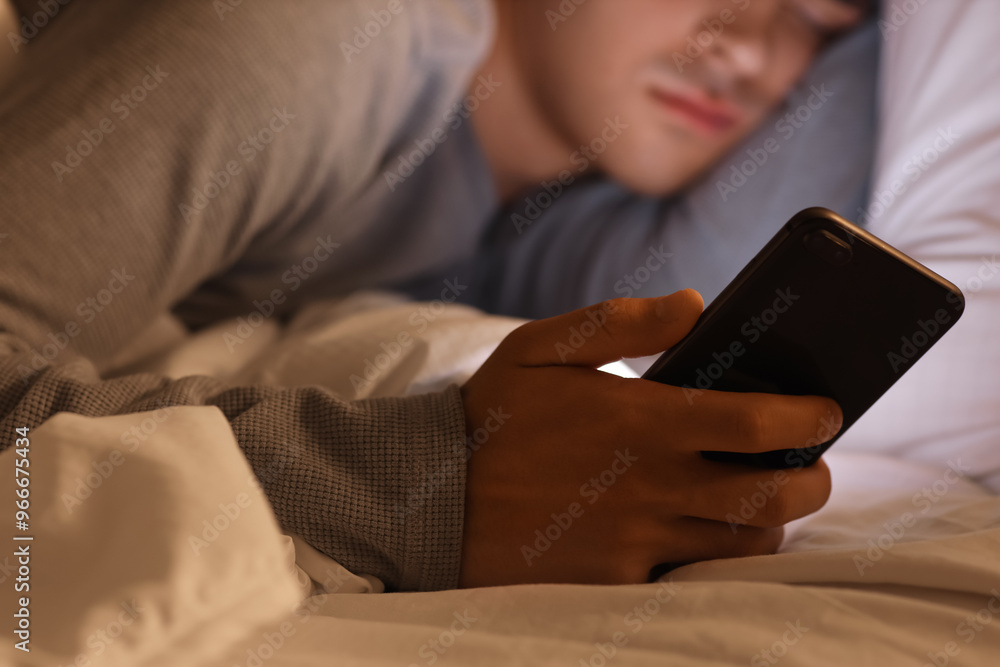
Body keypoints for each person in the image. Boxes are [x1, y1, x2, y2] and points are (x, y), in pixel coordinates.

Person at [0, 0, 865, 591]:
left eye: (819, 15)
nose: (750, 51)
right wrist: (429, 485)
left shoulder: (535, 220)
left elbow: (728, 258)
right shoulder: (325, 33)